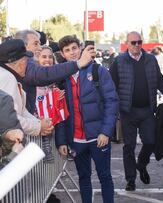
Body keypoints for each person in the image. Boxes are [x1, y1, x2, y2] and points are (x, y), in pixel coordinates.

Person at [55, 35, 118, 203]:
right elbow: (59, 113)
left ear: (80, 48)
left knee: (105, 176)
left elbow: (112, 102)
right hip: (76, 139)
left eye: (74, 48)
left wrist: (105, 131)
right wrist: (62, 141)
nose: (72, 53)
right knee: (83, 178)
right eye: (67, 50)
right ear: (62, 54)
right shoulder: (61, 78)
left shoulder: (98, 71)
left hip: (99, 137)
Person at [110, 31, 163, 191]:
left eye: (139, 42)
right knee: (128, 146)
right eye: (133, 43)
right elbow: (112, 85)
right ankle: (131, 180)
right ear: (127, 44)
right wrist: (112, 107)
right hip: (127, 111)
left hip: (147, 110)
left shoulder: (150, 59)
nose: (137, 45)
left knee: (150, 141)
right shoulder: (119, 61)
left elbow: (158, 79)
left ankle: (141, 165)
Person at [14, 29, 96, 114]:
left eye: (50, 57)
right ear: (23, 45)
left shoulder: (96, 71)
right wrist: (79, 63)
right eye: (36, 44)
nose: (39, 47)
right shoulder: (23, 64)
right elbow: (43, 75)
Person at [0, 39, 53, 137]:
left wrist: (38, 123)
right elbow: (11, 118)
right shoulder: (7, 78)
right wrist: (39, 126)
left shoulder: (2, 73)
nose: (27, 64)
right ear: (21, 62)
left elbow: (20, 110)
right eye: (26, 60)